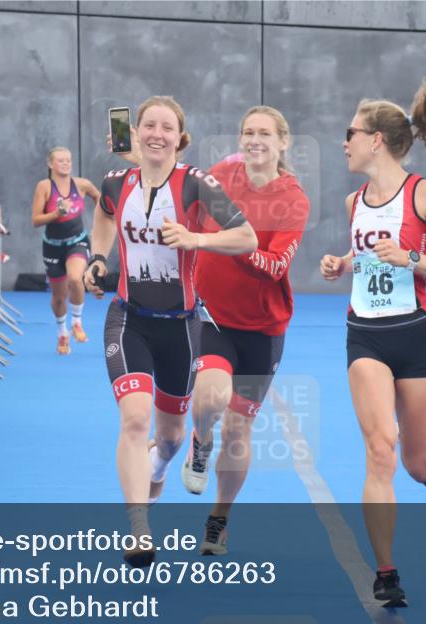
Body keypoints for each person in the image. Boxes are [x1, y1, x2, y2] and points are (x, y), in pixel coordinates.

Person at [319, 64, 426, 606]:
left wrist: (412, 259)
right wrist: (344, 263)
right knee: (380, 449)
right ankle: (386, 572)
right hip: (365, 335)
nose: (344, 142)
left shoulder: (424, 194)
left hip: (417, 335)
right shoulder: (353, 203)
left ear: (375, 140)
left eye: (350, 132)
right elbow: (370, 253)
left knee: (415, 465)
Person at [120, 107, 310, 558]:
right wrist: (136, 152)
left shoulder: (293, 199)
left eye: (265, 133)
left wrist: (223, 240)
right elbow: (173, 180)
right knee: (210, 398)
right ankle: (200, 441)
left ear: (283, 143)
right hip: (211, 316)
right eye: (248, 132)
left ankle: (219, 519)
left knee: (240, 429)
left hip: (264, 328)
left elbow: (274, 266)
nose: (255, 140)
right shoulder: (221, 175)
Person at [84, 96, 257, 567]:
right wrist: (97, 259)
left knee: (171, 437)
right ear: (136, 132)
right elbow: (103, 214)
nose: (157, 134)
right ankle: (139, 528)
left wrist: (195, 237)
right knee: (134, 419)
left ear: (180, 138)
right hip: (128, 320)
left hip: (181, 328)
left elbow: (246, 237)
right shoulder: (115, 183)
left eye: (167, 127)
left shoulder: (196, 184)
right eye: (149, 125)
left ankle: (159, 466)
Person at [31, 147, 100, 354]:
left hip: (77, 241)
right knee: (59, 296)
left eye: (68, 160)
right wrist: (57, 213)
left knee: (75, 278)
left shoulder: (81, 184)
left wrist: (101, 223)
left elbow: (100, 199)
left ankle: (77, 322)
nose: (65, 164)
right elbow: (36, 220)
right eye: (60, 160)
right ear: (50, 164)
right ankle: (62, 332)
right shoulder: (44, 187)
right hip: (52, 246)